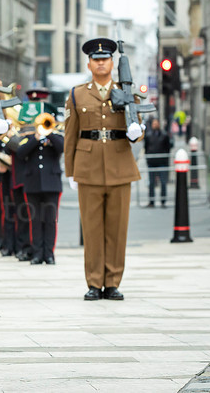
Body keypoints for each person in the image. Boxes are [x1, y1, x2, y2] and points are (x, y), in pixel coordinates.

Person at [64, 38, 143, 302]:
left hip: (120, 164)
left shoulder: (127, 91)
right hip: (88, 166)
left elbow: (137, 129)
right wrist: (70, 171)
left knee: (117, 229)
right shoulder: (77, 93)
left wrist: (136, 131)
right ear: (89, 64)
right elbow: (70, 135)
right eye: (96, 59)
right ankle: (94, 282)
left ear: (112, 62)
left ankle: (113, 282)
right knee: (92, 228)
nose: (100, 63)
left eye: (105, 59)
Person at [10, 113, 64, 265]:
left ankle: (49, 254)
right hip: (32, 184)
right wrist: (36, 138)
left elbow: (61, 148)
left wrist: (50, 134)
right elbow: (20, 153)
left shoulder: (56, 136)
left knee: (50, 220)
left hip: (52, 184)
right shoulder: (30, 138)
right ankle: (37, 253)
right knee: (35, 220)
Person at [144, 118, 173, 207]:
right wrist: (148, 158)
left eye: (156, 123)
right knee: (151, 182)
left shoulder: (164, 135)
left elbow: (168, 148)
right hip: (152, 162)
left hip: (162, 162)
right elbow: (146, 147)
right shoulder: (148, 135)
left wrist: (165, 158)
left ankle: (163, 201)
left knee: (163, 182)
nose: (155, 125)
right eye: (154, 124)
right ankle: (151, 201)